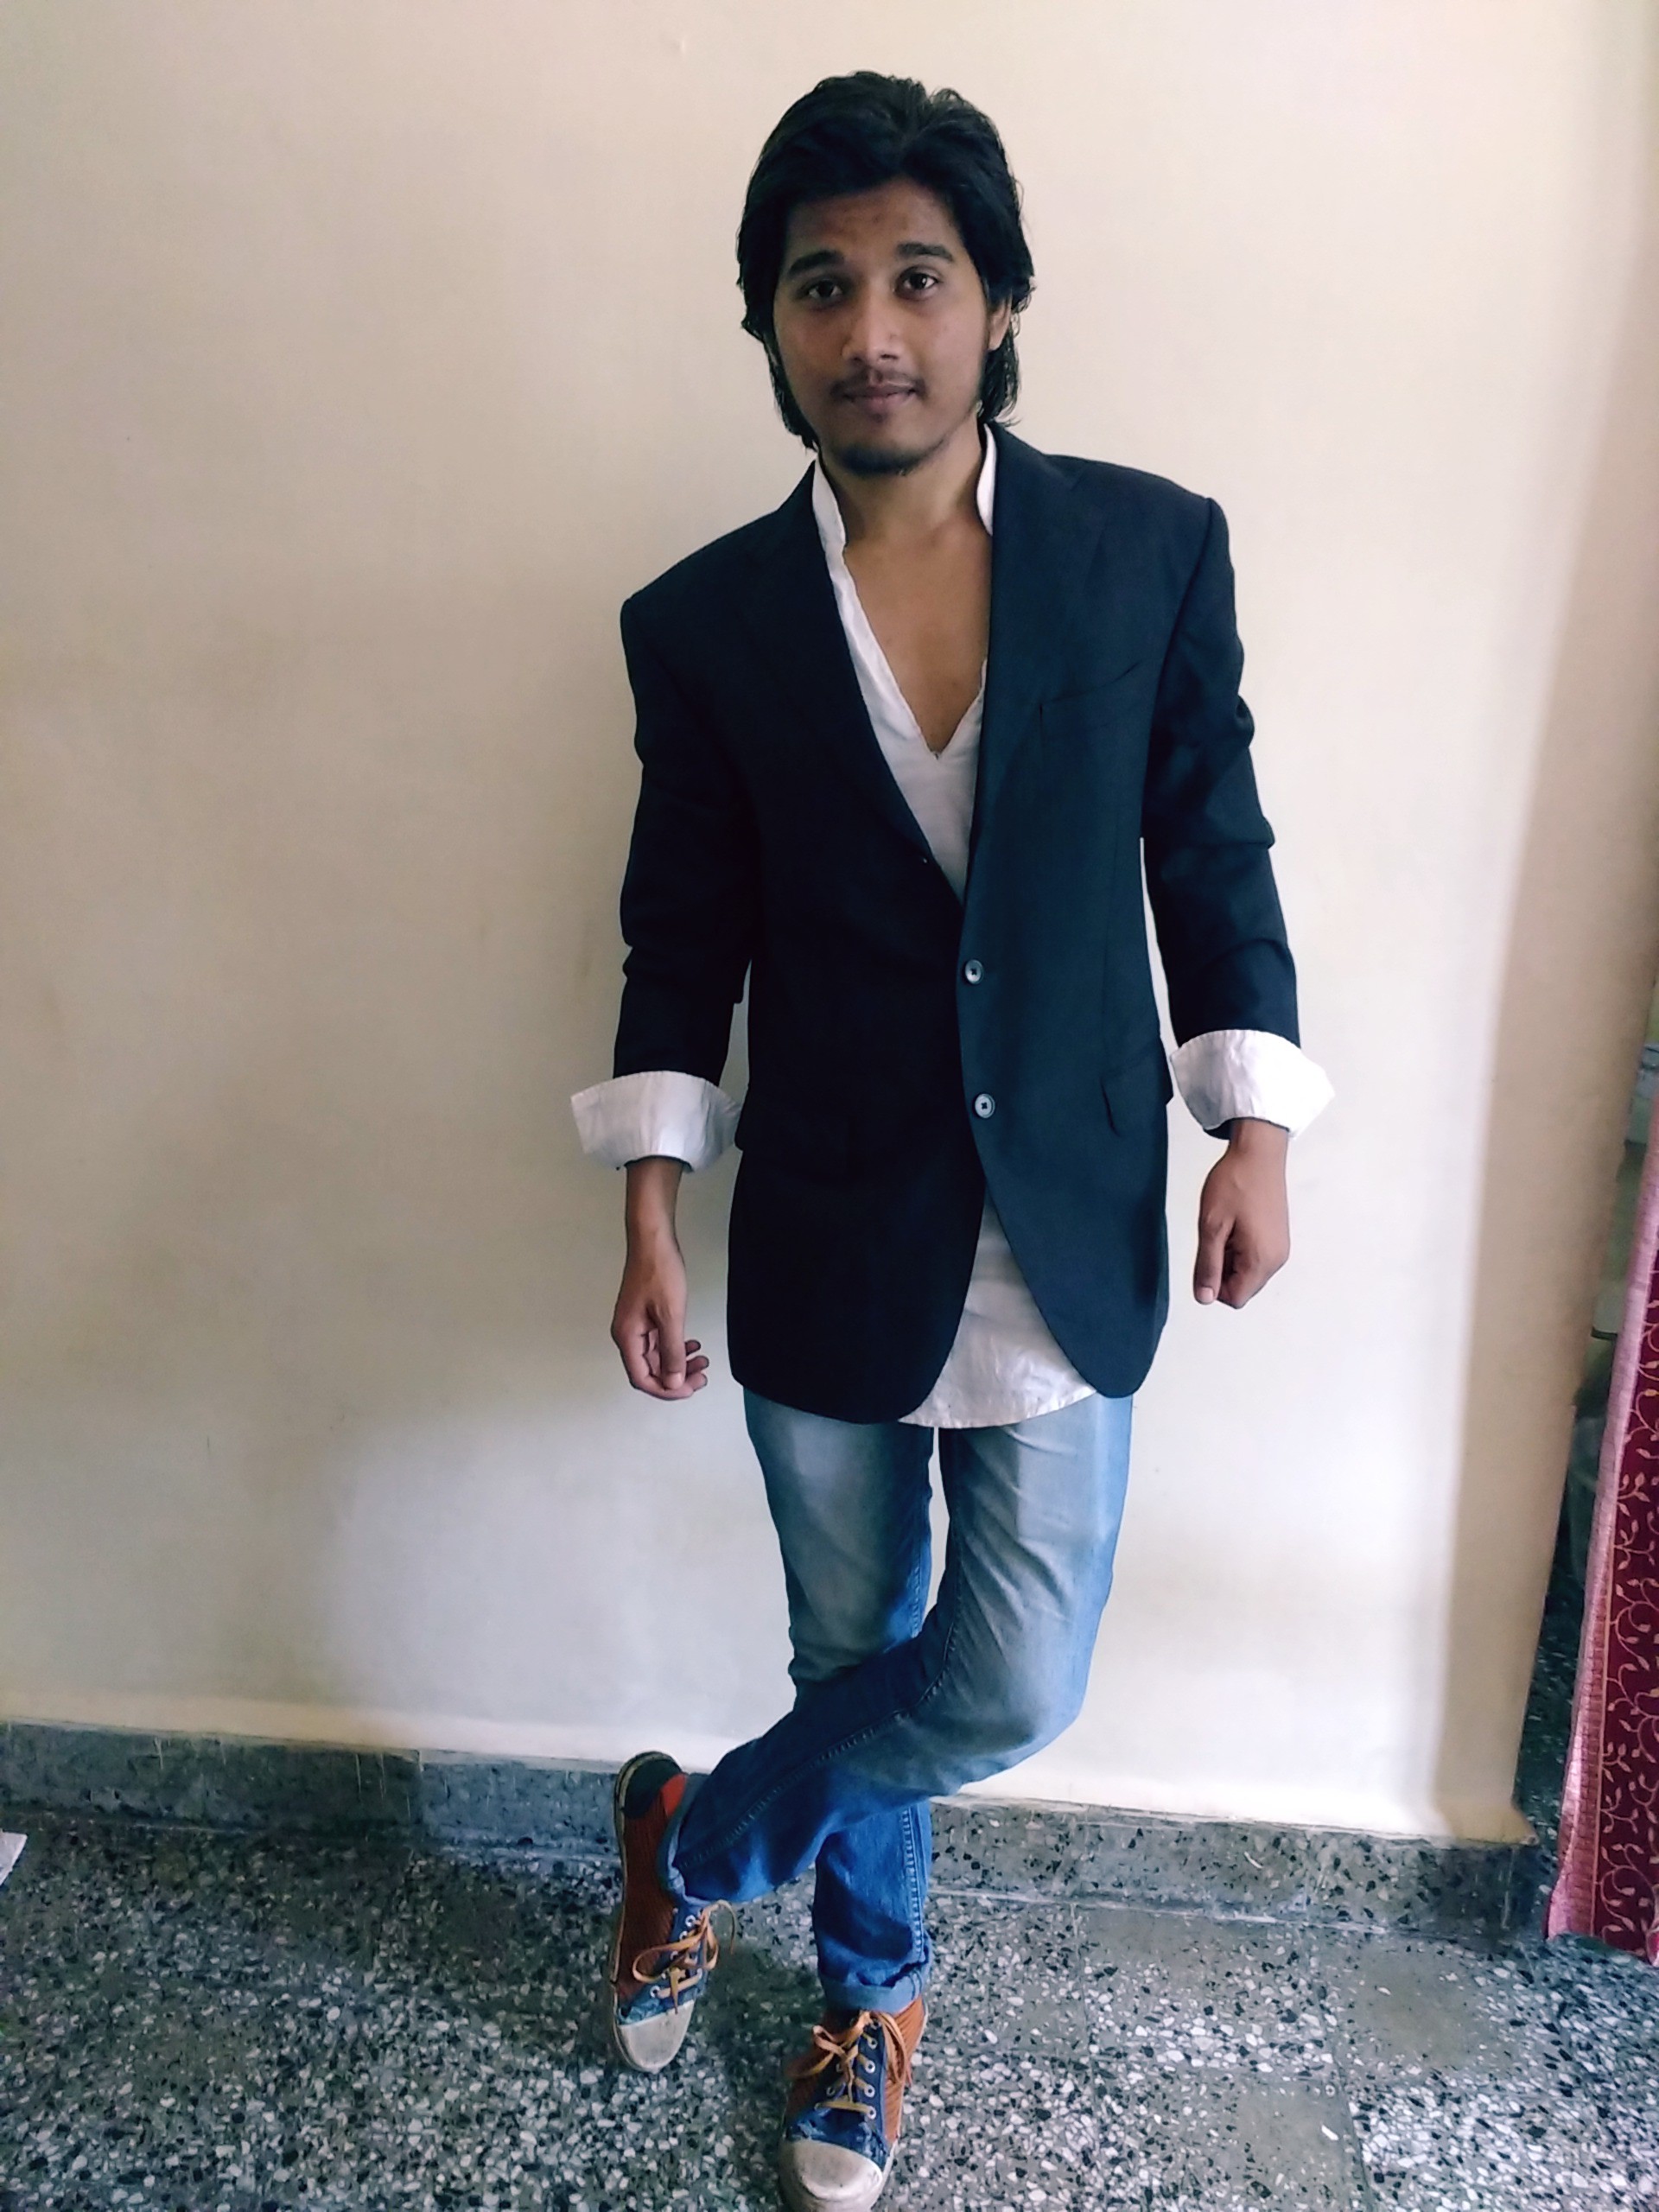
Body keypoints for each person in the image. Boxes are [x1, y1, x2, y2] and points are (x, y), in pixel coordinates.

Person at [571, 71, 1332, 2212]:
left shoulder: (1147, 551)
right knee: (850, 1648)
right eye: (823, 287)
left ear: (998, 302)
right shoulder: (703, 623)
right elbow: (681, 933)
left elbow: (1212, 841)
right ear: (769, 323)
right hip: (829, 1211)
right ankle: (871, 1994)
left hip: (1067, 1210)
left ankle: (689, 1835)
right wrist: (651, 1204)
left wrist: (1254, 1117)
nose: (874, 330)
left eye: (919, 277)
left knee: (1004, 1672)